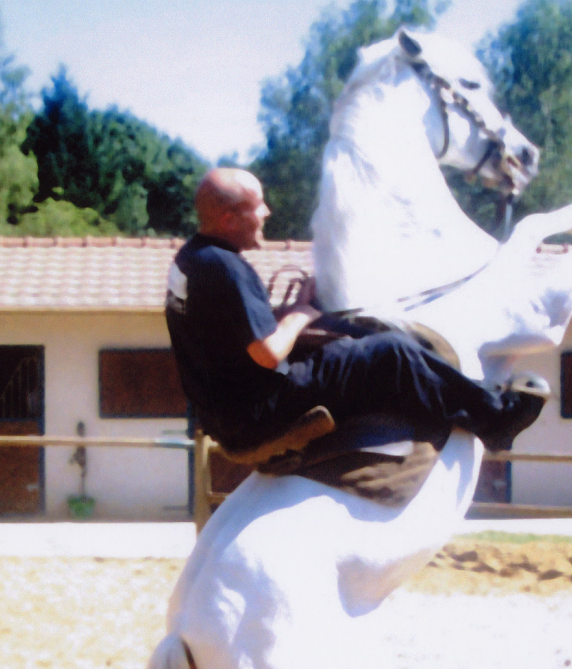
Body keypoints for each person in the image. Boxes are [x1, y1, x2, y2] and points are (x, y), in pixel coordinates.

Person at [165, 167, 545, 456]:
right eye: (257, 206)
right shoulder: (228, 268)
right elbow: (266, 354)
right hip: (261, 411)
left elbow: (229, 340)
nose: (267, 211)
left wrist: (289, 313)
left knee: (349, 340)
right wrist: (302, 313)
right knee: (391, 352)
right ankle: (497, 418)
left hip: (226, 416)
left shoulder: (190, 259)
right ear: (229, 219)